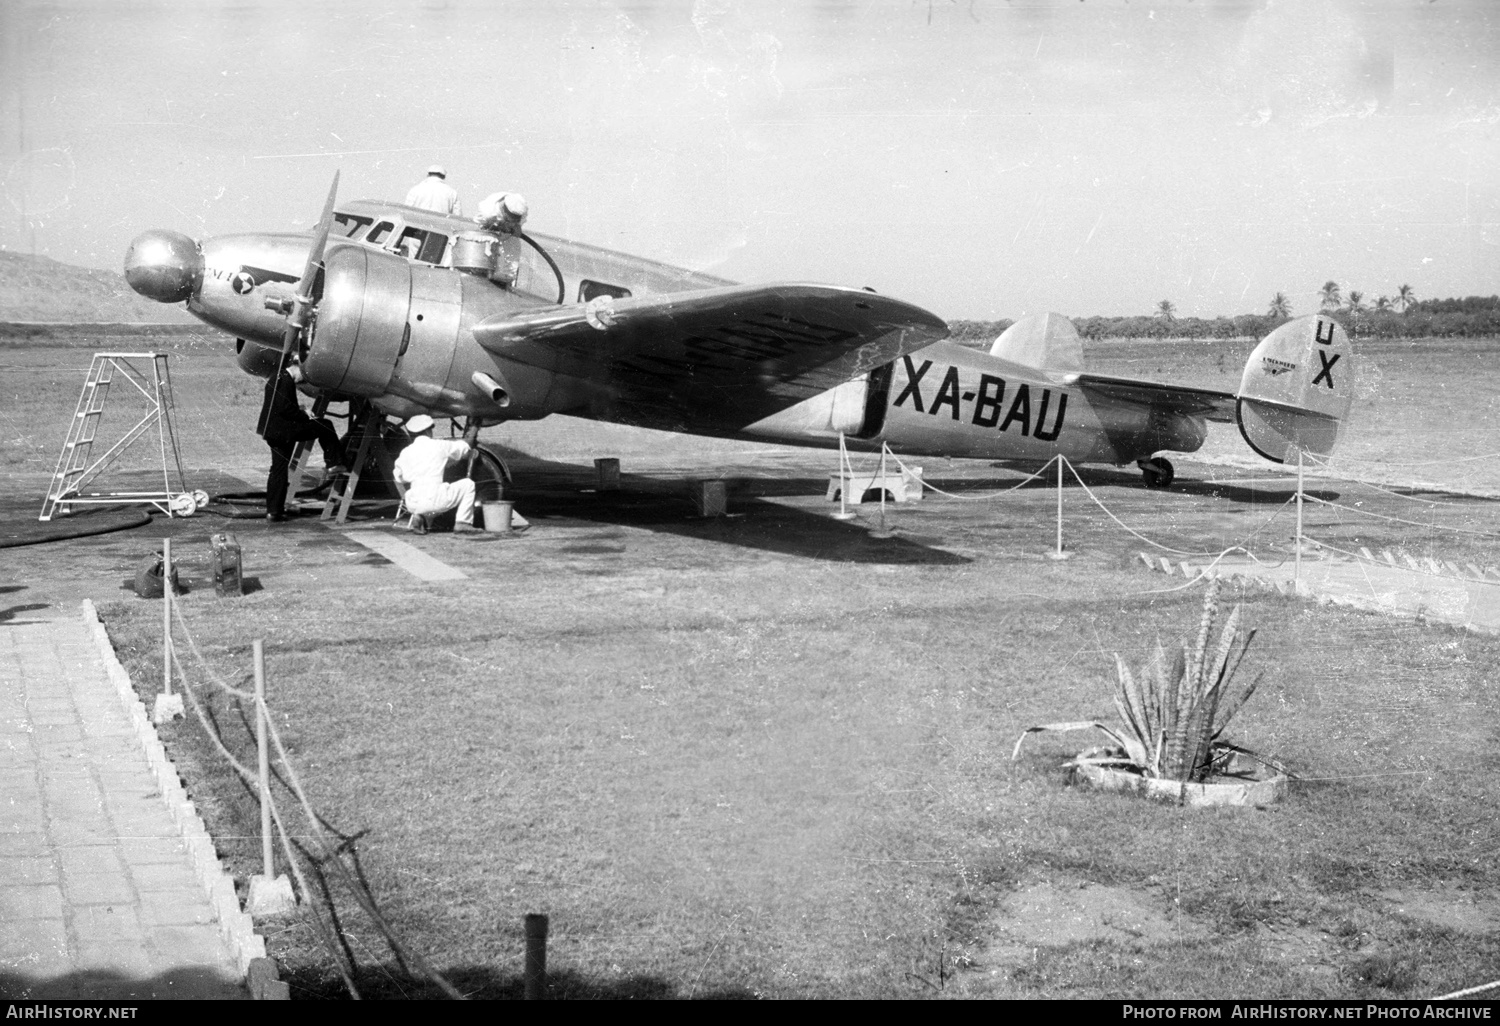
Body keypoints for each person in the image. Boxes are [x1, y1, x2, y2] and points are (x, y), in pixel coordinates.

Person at [257, 357, 349, 522]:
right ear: (297, 368)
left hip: (274, 432)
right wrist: (304, 414)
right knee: (325, 425)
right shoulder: (285, 381)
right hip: (284, 432)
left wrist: (300, 409)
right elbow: (285, 408)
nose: (303, 380)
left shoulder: (278, 378)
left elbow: (281, 405)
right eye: (304, 375)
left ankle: (274, 510)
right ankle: (334, 462)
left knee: (278, 470)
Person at [393, 414, 479, 533]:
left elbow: (398, 478)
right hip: (435, 499)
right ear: (428, 431)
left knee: (429, 499)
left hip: (413, 503)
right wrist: (474, 427)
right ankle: (462, 523)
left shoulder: (405, 452)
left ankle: (420, 516)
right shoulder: (439, 445)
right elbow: (465, 446)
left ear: (411, 433)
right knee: (468, 485)